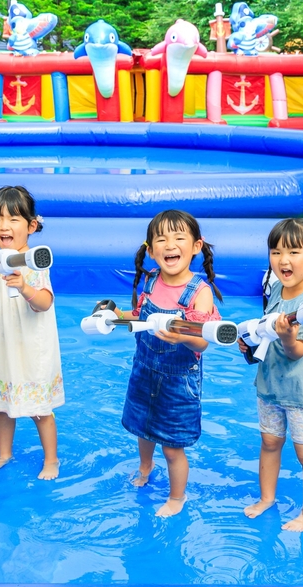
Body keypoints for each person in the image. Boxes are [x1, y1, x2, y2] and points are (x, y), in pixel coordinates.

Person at [113, 210, 224, 518]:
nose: (169, 244)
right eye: (161, 239)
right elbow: (138, 319)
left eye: (178, 238)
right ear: (151, 250)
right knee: (143, 429)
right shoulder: (149, 282)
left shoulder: (199, 293)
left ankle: (177, 496)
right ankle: (145, 467)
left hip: (178, 380)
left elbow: (203, 342)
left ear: (196, 246)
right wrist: (116, 317)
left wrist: (184, 336)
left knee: (173, 446)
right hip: (144, 371)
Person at [238, 219, 303, 532]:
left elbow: (298, 351)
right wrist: (249, 341)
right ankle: (267, 498)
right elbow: (268, 330)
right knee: (269, 442)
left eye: (294, 251)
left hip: (302, 391)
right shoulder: (277, 287)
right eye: (276, 251)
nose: (283, 260)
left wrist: (287, 337)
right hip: (271, 383)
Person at [0, 186, 63, 480]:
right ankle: (4, 453)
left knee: (39, 409)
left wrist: (25, 287)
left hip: (29, 349)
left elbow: (44, 302)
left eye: (13, 219)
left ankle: (51, 459)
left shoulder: (32, 261)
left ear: (31, 226)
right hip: (3, 347)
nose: (4, 225)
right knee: (3, 403)